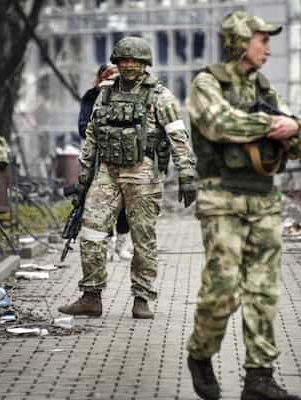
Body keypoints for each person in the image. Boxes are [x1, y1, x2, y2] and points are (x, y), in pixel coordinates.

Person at [185, 11, 301, 400]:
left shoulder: (265, 89)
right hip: (221, 197)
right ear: (241, 41)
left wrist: (296, 128)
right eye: (263, 40)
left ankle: (259, 377)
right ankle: (200, 354)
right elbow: (219, 124)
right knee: (223, 290)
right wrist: (275, 126)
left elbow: (300, 141)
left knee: (263, 291)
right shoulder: (207, 83)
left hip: (264, 200)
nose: (268, 49)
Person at [58, 36, 197, 319]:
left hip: (142, 173)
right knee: (92, 232)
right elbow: (92, 136)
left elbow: (178, 136)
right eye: (125, 60)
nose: (130, 65)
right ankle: (91, 296)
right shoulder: (105, 94)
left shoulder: (160, 96)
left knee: (143, 238)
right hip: (107, 172)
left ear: (146, 64)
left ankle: (142, 297)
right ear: (117, 62)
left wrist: (186, 173)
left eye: (136, 61)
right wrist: (84, 175)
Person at [77, 63, 133, 261]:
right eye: (107, 76)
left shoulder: (130, 96)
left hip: (126, 158)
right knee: (102, 204)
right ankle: (107, 246)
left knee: (125, 203)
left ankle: (122, 246)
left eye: (115, 76)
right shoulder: (92, 96)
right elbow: (83, 127)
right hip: (100, 159)